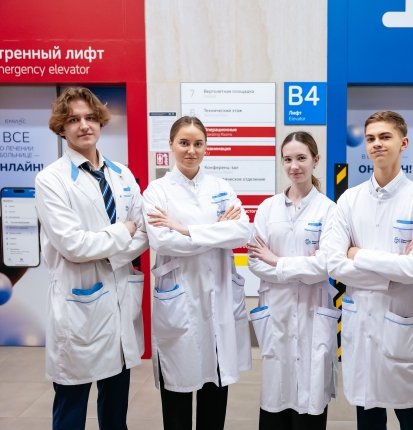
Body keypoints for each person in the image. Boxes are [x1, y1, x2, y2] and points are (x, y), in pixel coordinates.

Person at [35, 87, 148, 430]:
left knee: (115, 411)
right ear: (61, 127)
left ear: (100, 122)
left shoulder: (122, 174)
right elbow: (73, 246)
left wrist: (107, 249)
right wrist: (122, 231)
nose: (84, 125)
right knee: (71, 408)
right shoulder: (51, 180)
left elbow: (144, 233)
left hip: (119, 303)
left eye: (90, 118)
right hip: (79, 307)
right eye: (73, 120)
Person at [325, 111, 413, 430]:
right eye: (371, 138)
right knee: (368, 417)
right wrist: (393, 271)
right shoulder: (349, 200)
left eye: (385, 137)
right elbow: (334, 264)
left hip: (401, 326)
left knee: (411, 417)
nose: (377, 143)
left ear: (404, 143)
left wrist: (357, 254)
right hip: (361, 324)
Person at [143, 116, 251, 430]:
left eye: (198, 143)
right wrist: (216, 231)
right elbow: (163, 240)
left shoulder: (220, 187)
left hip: (218, 297)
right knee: (177, 391)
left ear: (206, 147)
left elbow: (242, 231)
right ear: (171, 145)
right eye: (184, 143)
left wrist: (185, 229)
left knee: (214, 389)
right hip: (180, 300)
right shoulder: (157, 191)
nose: (191, 150)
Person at [247, 131, 339, 430]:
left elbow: (325, 265)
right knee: (277, 393)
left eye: (301, 158)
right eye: (288, 159)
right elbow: (255, 261)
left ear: (315, 160)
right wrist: (300, 269)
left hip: (313, 312)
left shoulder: (329, 209)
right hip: (277, 312)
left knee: (311, 395)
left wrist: (278, 262)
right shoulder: (268, 208)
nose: (294, 166)